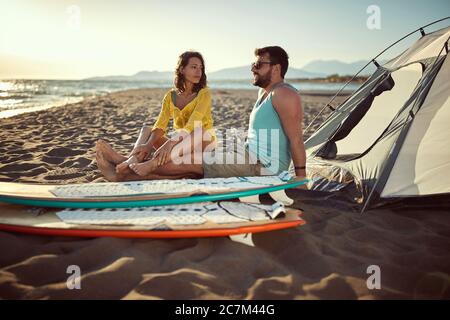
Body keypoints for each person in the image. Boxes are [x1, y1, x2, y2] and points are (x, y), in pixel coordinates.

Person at [97, 46, 306, 181]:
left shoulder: (285, 95)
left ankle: (126, 173)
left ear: (276, 69)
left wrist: (301, 179)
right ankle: (130, 165)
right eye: (254, 64)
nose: (253, 68)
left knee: (190, 163)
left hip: (262, 167)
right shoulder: (265, 93)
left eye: (258, 65)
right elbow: (160, 123)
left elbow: (296, 140)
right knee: (188, 166)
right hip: (247, 156)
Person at [96, 51, 216, 181]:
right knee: (147, 130)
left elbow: (193, 123)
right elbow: (160, 124)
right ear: (182, 69)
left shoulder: (204, 93)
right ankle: (132, 159)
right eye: (194, 67)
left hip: (202, 144)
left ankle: (127, 163)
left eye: (201, 68)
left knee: (199, 131)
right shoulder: (170, 96)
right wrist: (148, 145)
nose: (199, 71)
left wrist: (170, 143)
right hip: (180, 145)